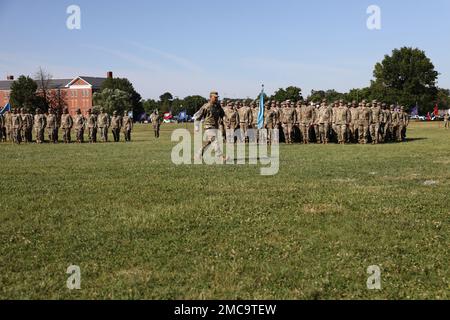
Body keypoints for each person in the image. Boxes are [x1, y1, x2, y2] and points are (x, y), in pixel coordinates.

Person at [195, 91, 227, 161]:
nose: (216, 99)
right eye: (215, 97)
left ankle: (198, 155)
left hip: (215, 126)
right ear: (210, 97)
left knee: (208, 142)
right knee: (215, 140)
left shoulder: (218, 106)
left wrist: (225, 120)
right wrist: (196, 125)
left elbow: (222, 114)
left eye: (217, 97)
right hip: (208, 126)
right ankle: (220, 157)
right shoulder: (206, 106)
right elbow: (199, 115)